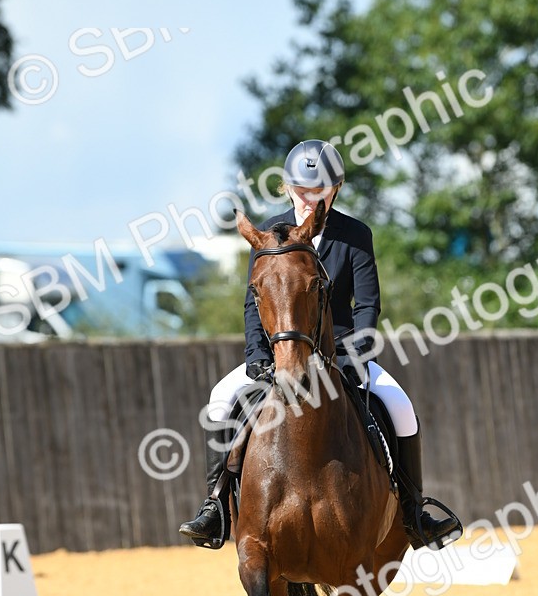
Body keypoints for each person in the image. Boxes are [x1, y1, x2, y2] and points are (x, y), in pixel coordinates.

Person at [179, 139, 461, 550]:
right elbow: (252, 304)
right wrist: (258, 356)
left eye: (320, 190)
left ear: (336, 189)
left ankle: (415, 512)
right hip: (280, 352)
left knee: (401, 408)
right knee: (221, 399)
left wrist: (356, 357)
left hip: (342, 352)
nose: (310, 198)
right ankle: (216, 507)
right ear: (287, 187)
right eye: (302, 189)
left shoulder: (354, 236)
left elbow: (367, 304)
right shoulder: (269, 236)